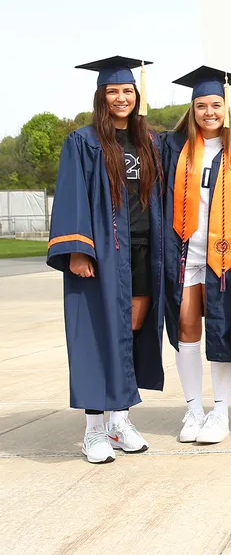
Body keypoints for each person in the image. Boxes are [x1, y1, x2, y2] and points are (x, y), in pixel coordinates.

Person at [49, 56, 165, 463]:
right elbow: (71, 196)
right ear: (101, 96)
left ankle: (120, 419)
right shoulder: (83, 141)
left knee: (130, 332)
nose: (121, 97)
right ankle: (94, 429)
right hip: (101, 252)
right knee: (99, 336)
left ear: (137, 96)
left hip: (142, 250)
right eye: (113, 91)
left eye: (127, 91)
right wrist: (78, 249)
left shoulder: (150, 142)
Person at [162, 66, 231, 444]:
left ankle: (221, 411)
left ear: (226, 108)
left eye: (216, 104)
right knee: (185, 329)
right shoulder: (173, 148)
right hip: (185, 252)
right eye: (201, 105)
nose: (209, 112)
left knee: (221, 330)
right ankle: (194, 409)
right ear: (192, 109)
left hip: (225, 257)